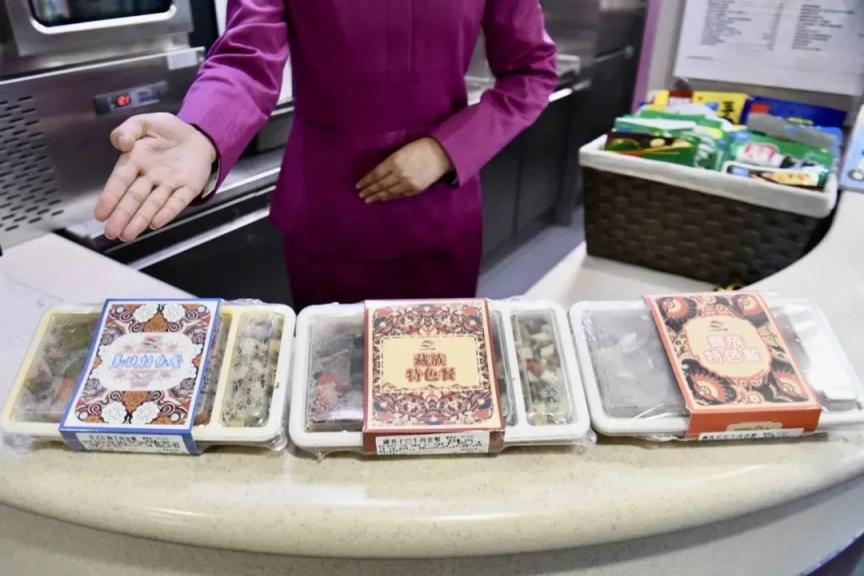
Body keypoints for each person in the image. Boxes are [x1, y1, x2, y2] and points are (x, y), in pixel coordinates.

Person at [94, 0, 558, 309]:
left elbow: (531, 73)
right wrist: (203, 130)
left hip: (439, 212)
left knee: (435, 382)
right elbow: (246, 55)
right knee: (332, 387)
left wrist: (448, 149)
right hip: (330, 212)